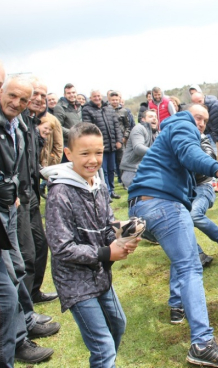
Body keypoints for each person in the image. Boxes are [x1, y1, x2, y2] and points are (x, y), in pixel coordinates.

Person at [127, 104, 218, 367]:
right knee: (191, 267)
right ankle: (202, 343)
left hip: (144, 209)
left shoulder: (172, 134)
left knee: (183, 257)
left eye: (204, 121)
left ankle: (177, 306)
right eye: (198, 117)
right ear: (188, 114)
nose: (200, 123)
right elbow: (190, 153)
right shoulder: (181, 124)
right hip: (162, 204)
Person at [43, 122, 138, 368]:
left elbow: (106, 224)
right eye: (84, 153)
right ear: (68, 153)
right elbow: (62, 247)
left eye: (98, 152)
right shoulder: (60, 193)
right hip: (74, 281)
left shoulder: (99, 184)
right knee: (103, 346)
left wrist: (122, 236)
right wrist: (107, 252)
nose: (93, 160)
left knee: (118, 324)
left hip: (100, 274)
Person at [0, 73, 55, 365]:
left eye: (26, 98)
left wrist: (17, 191)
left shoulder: (19, 125)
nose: (19, 102)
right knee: (9, 284)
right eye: (13, 96)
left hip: (15, 202)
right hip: (7, 206)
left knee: (21, 265)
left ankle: (23, 329)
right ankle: (18, 340)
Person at [82, 89, 123, 200]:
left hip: (112, 145)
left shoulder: (108, 108)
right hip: (99, 147)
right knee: (102, 170)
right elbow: (89, 129)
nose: (97, 98)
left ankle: (112, 190)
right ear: (91, 98)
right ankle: (106, 192)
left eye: (98, 96)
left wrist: (119, 140)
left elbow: (116, 126)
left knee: (111, 169)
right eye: (94, 96)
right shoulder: (87, 110)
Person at [120, 109, 159, 189]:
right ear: (143, 119)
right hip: (132, 171)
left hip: (147, 171)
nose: (154, 118)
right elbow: (138, 148)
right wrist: (158, 153)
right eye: (150, 116)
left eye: (155, 117)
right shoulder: (139, 128)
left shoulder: (157, 133)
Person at [53, 83, 82, 161]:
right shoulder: (59, 107)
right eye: (69, 93)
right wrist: (73, 133)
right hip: (67, 144)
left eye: (73, 92)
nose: (72, 95)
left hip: (78, 143)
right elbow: (57, 127)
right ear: (64, 94)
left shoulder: (78, 107)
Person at [109, 91, 131, 186]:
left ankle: (123, 181)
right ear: (109, 100)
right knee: (111, 163)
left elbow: (128, 126)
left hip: (121, 139)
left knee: (122, 160)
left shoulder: (124, 111)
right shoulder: (106, 110)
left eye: (116, 100)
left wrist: (125, 136)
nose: (115, 101)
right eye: (113, 100)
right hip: (110, 139)